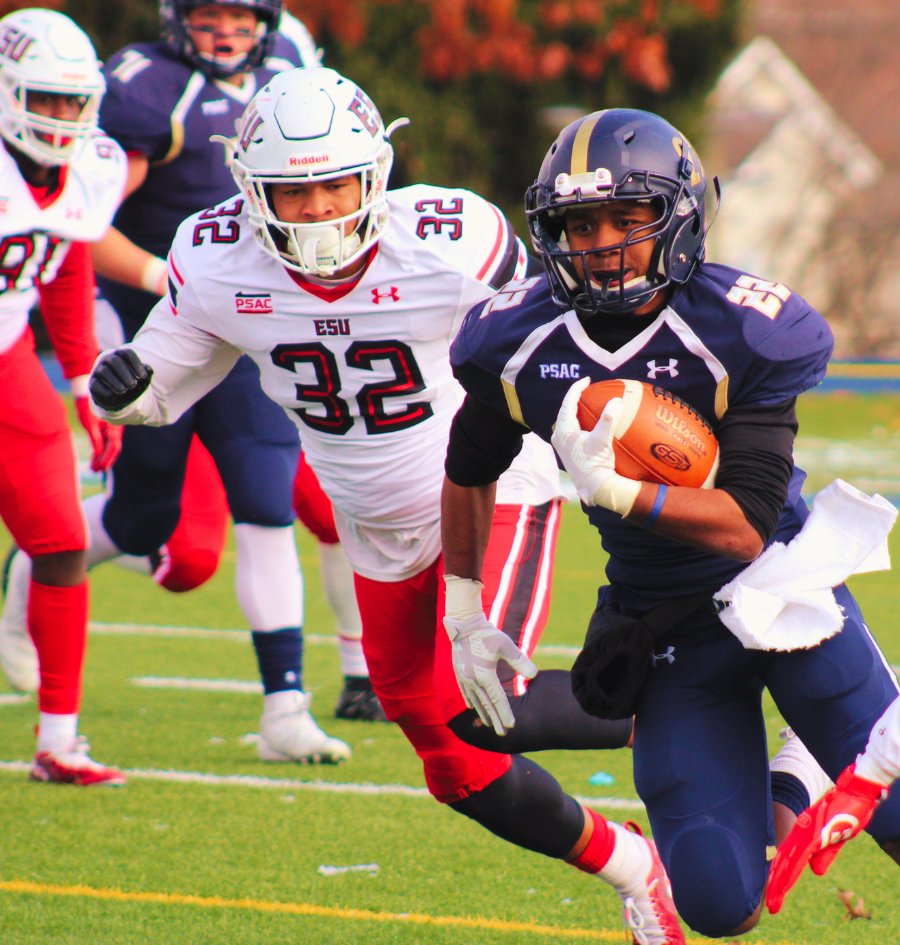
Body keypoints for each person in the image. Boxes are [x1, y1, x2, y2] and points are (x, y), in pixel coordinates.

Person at [84, 68, 699, 944]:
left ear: (376, 172)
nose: (321, 207)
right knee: (452, 761)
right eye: (295, 191)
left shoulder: (450, 239)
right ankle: (638, 869)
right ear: (252, 191)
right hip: (372, 523)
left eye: (337, 182)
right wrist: (121, 391)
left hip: (487, 488)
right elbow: (156, 391)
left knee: (493, 701)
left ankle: (721, 702)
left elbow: (557, 342)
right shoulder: (216, 258)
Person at [441, 107, 900, 942]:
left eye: (627, 218)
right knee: (719, 906)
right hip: (664, 620)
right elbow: (468, 468)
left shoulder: (742, 325)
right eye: (579, 222)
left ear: (675, 217)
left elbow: (747, 524)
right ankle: (795, 780)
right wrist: (464, 607)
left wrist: (621, 492)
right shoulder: (519, 338)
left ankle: (809, 757)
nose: (602, 242)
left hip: (785, 597)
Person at [0, 0, 358, 757]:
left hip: (251, 321)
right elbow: (86, 231)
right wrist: (164, 280)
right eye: (209, 15)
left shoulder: (291, 71)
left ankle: (286, 707)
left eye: (240, 16)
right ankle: (34, 569)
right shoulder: (148, 88)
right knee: (144, 522)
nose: (226, 32)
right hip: (160, 331)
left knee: (269, 504)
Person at [0, 8, 126, 785]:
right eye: (43, 100)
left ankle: (58, 739)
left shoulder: (93, 167)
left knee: (60, 541)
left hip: (11, 352)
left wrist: (83, 381)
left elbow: (69, 257)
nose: (60, 117)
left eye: (72, 102)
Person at [767, 635, 900, 914]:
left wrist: (868, 780)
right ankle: (810, 754)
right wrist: (868, 779)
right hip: (693, 637)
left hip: (795, 606)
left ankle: (808, 755)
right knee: (726, 905)